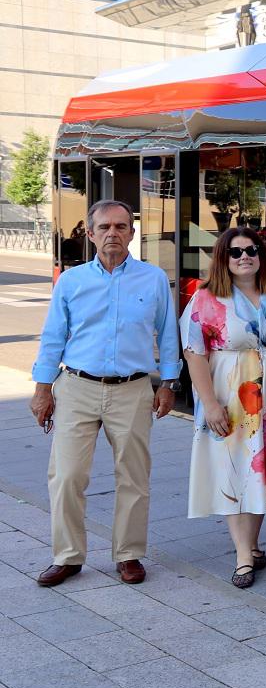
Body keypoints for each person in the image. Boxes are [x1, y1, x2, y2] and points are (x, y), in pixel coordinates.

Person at [29, 200, 181, 587]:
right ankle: (67, 556)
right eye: (105, 227)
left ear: (132, 233)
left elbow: (167, 334)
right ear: (91, 233)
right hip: (76, 387)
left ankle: (128, 555)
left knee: (133, 477)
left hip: (131, 390)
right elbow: (52, 337)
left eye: (121, 226)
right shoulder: (72, 281)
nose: (113, 233)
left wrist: (168, 383)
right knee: (66, 476)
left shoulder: (153, 279)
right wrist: (42, 388)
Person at [180, 227, 266, 589]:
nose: (244, 256)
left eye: (252, 250)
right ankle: (243, 556)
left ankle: (251, 545)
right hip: (230, 393)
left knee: (263, 470)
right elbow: (194, 355)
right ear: (223, 258)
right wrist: (209, 403)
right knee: (234, 471)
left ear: (262, 256)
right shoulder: (206, 299)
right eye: (236, 251)